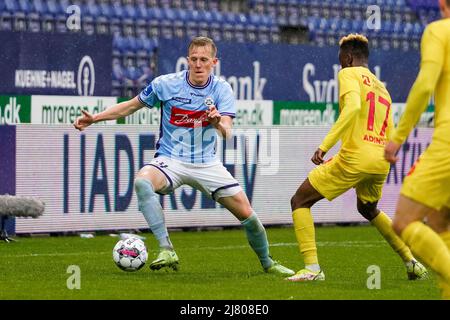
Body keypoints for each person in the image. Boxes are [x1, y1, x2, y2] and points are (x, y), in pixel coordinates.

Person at [73, 36, 294, 277]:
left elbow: (228, 132)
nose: (198, 64)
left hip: (206, 163)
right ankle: (166, 249)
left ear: (214, 62)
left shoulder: (222, 89)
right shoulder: (165, 84)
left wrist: (217, 121)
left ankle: (268, 263)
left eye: (204, 60)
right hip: (171, 159)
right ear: (187, 60)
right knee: (142, 182)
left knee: (248, 215)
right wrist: (96, 118)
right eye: (194, 59)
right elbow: (130, 106)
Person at [287, 34, 428, 282]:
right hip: (381, 160)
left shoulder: (347, 74)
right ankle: (411, 262)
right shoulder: (382, 87)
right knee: (368, 208)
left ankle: (312, 269)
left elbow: (352, 108)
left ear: (349, 57)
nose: (339, 62)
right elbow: (390, 130)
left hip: (355, 157)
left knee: (300, 201)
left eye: (340, 58)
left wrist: (324, 146)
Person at [384, 0, 450, 299]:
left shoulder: (439, 30)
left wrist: (399, 136)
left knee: (405, 221)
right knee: (440, 221)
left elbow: (425, 85)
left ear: (441, 5)